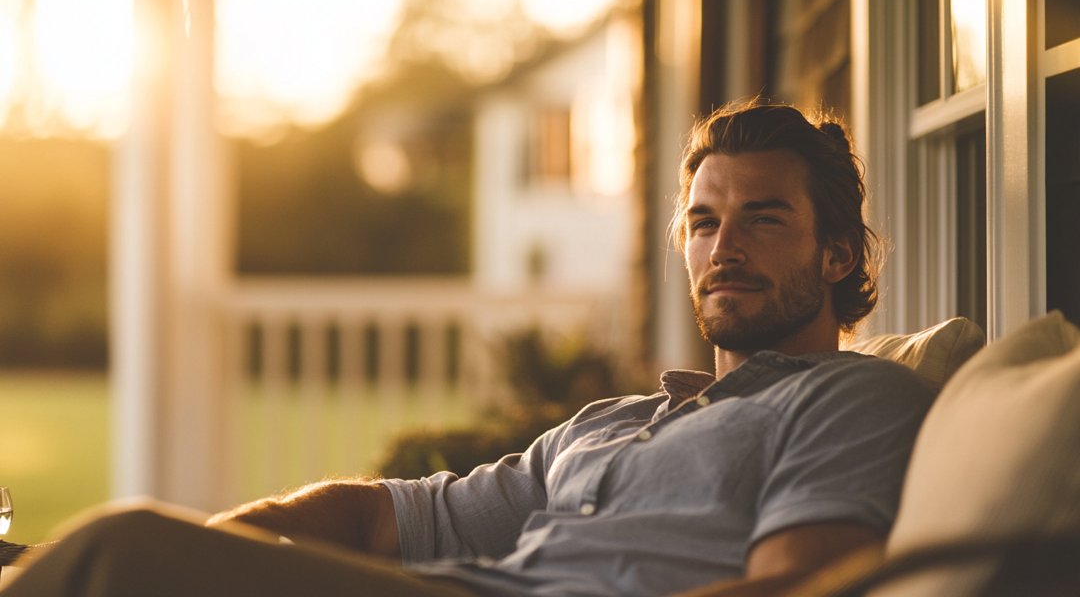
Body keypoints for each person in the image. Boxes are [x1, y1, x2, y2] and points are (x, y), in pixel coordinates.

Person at [1, 100, 934, 597]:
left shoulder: (850, 399)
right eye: (702, 222)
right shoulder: (615, 424)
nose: (723, 247)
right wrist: (222, 546)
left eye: (763, 219)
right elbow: (378, 518)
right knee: (108, 564)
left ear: (838, 253)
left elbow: (804, 585)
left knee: (114, 554)